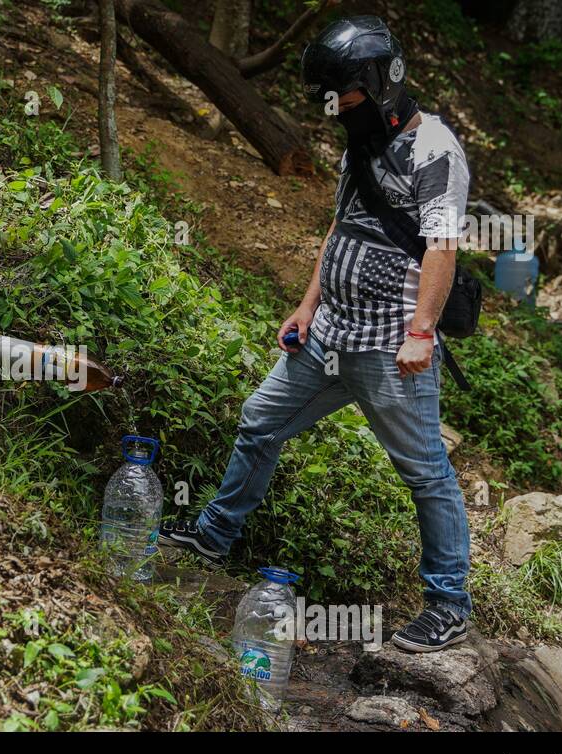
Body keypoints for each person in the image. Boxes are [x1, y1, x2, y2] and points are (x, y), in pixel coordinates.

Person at [159, 16, 473, 653]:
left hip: (391, 348)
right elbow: (340, 230)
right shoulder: (358, 141)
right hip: (331, 333)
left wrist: (421, 332)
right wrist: (306, 306)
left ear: (381, 83)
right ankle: (214, 537)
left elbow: (443, 243)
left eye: (344, 95)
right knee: (259, 421)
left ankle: (447, 602)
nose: (334, 109)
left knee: (426, 474)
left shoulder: (437, 148)